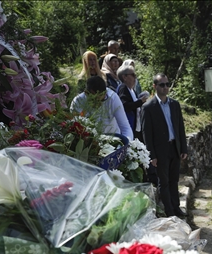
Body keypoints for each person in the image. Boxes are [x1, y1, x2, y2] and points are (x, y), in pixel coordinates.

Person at [142, 73, 189, 218]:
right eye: (162, 85)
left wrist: (183, 148)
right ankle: (169, 211)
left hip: (174, 147)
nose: (165, 87)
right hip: (160, 150)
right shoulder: (148, 107)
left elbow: (180, 127)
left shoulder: (174, 104)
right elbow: (146, 133)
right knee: (164, 182)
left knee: (174, 180)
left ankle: (176, 208)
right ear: (154, 86)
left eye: (167, 84)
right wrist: (152, 155)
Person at [69, 76, 133, 142]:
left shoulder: (113, 98)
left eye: (102, 100)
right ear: (86, 93)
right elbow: (73, 128)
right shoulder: (78, 102)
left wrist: (127, 144)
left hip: (112, 141)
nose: (99, 104)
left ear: (105, 93)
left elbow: (125, 128)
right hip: (87, 142)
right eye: (94, 100)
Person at [116, 64, 149, 141]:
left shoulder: (131, 90)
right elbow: (124, 106)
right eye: (133, 75)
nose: (135, 78)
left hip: (135, 126)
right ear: (124, 77)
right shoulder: (123, 88)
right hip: (127, 126)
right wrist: (140, 102)